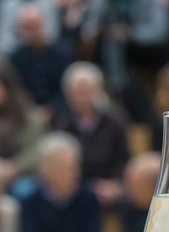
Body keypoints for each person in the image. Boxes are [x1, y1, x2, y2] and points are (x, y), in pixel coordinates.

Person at [51, 62, 130, 207]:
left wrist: (114, 185)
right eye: (76, 92)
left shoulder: (115, 121)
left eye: (86, 91)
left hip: (109, 185)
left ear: (98, 91)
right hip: (74, 186)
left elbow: (123, 159)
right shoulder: (61, 123)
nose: (81, 98)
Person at [9, 3, 71, 109]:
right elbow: (16, 90)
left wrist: (51, 109)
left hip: (58, 111)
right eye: (28, 27)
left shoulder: (62, 53)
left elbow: (65, 89)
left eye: (36, 26)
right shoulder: (15, 57)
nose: (33, 31)